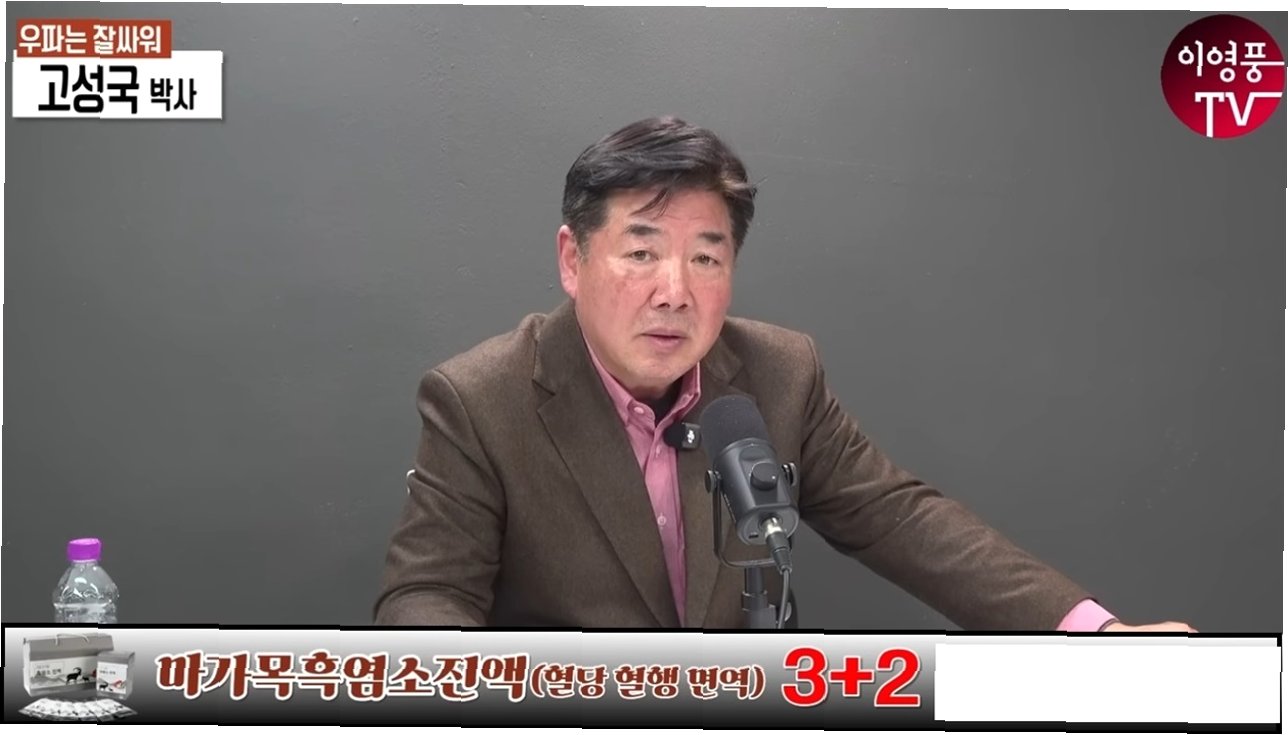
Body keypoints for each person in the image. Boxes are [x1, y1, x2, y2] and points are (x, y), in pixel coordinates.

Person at [375, 116, 1195, 632]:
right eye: (641, 252)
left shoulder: (778, 371)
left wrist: (1095, 634)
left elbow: (900, 519)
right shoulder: (480, 398)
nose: (674, 291)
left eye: (706, 257)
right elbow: (427, 596)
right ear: (572, 258)